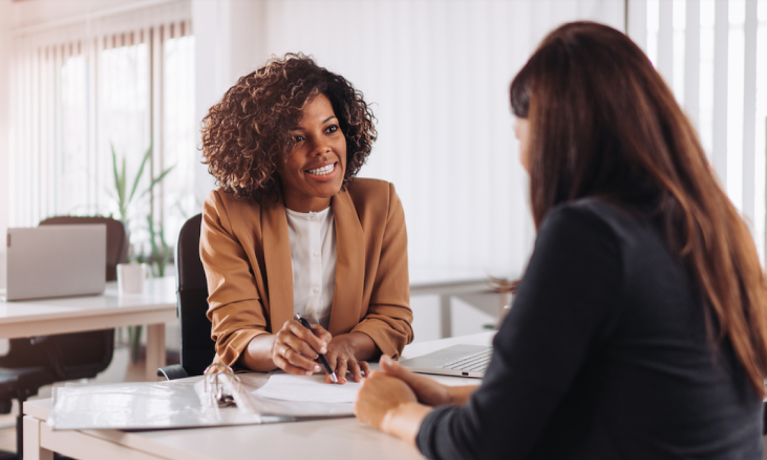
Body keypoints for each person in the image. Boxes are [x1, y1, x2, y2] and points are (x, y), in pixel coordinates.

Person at [354, 21, 767, 459]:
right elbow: (631, 401)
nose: (522, 158)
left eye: (519, 134)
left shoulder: (590, 235)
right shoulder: (718, 226)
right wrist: (452, 398)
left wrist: (394, 412)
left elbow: (483, 447)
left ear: (555, 134)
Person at [199, 54, 413, 384]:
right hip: (257, 394)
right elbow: (236, 332)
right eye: (297, 137)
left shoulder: (379, 204)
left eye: (330, 129)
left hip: (346, 389)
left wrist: (347, 345)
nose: (322, 148)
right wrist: (276, 348)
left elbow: (393, 318)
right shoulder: (226, 212)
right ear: (265, 150)